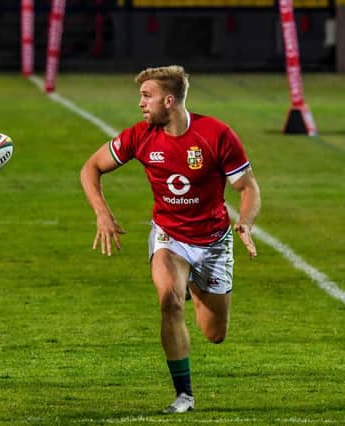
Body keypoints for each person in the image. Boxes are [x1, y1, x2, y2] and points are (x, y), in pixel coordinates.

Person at [80, 65, 261, 414]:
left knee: (214, 334)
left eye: (146, 97)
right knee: (169, 302)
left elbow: (247, 187)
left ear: (169, 100)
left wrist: (246, 223)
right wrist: (102, 213)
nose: (140, 104)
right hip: (169, 236)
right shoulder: (140, 135)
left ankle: (194, 285)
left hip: (212, 242)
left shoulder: (216, 134)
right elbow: (91, 167)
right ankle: (184, 396)